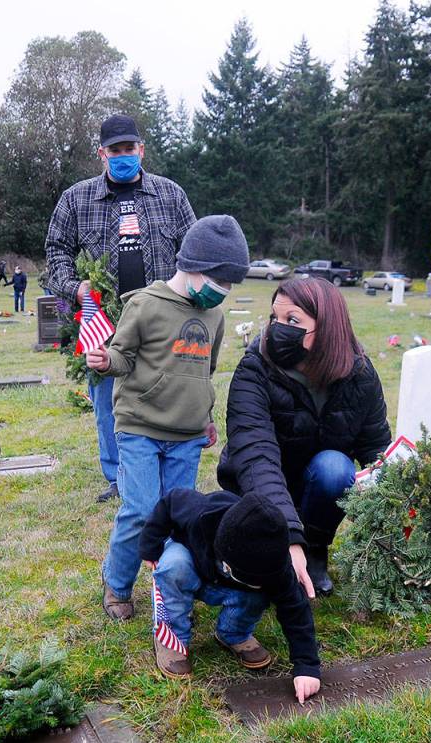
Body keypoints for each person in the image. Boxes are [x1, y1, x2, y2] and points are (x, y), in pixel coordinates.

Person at [85, 215, 249, 621]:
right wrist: (106, 360)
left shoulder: (214, 316)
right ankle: (117, 582)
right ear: (194, 266)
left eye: (231, 284)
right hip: (140, 425)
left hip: (188, 434)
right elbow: (122, 356)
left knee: (179, 518)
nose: (224, 291)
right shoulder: (145, 305)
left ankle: (172, 592)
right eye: (220, 280)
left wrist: (206, 417)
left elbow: (203, 372)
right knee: (141, 509)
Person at [45, 113, 198, 504]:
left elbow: (193, 250)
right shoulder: (76, 198)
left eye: (130, 148)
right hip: (105, 321)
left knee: (167, 391)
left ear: (141, 149)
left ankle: (165, 469)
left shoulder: (171, 195)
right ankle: (118, 478)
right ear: (102, 154)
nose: (123, 155)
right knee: (108, 402)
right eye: (115, 150)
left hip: (166, 318)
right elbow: (56, 250)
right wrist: (74, 287)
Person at [217, 277, 392, 598]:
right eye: (275, 318)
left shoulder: (360, 375)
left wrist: (399, 510)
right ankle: (281, 549)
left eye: (292, 320)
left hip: (317, 486)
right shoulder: (255, 368)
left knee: (336, 468)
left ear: (326, 327)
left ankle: (314, 551)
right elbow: (256, 456)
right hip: (259, 483)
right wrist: (287, 537)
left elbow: (375, 448)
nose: (277, 328)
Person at [139, 489, 321, 703]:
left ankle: (234, 633)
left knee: (259, 595)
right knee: (173, 567)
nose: (261, 583)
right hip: (190, 561)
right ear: (228, 563)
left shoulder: (277, 567)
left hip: (230, 584)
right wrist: (149, 546)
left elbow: (296, 610)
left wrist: (307, 667)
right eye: (253, 580)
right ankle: (174, 637)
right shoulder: (199, 513)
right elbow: (170, 501)